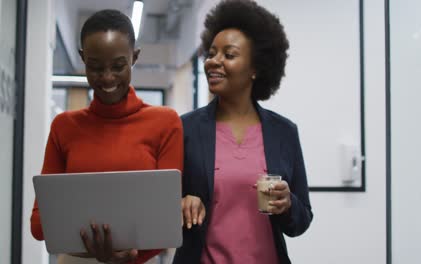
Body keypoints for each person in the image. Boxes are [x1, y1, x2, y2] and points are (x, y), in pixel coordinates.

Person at [30, 9, 183, 264]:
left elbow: (166, 224)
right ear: (82, 58)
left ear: (134, 57)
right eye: (96, 67)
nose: (107, 77)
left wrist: (123, 257)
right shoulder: (64, 126)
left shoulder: (165, 123)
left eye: (118, 66)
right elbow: (39, 224)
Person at [173, 1, 313, 263]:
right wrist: (181, 204)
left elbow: (301, 221)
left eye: (229, 55)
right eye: (212, 53)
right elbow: (163, 210)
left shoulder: (284, 132)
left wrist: (288, 204)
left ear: (255, 68)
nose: (213, 62)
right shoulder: (185, 129)